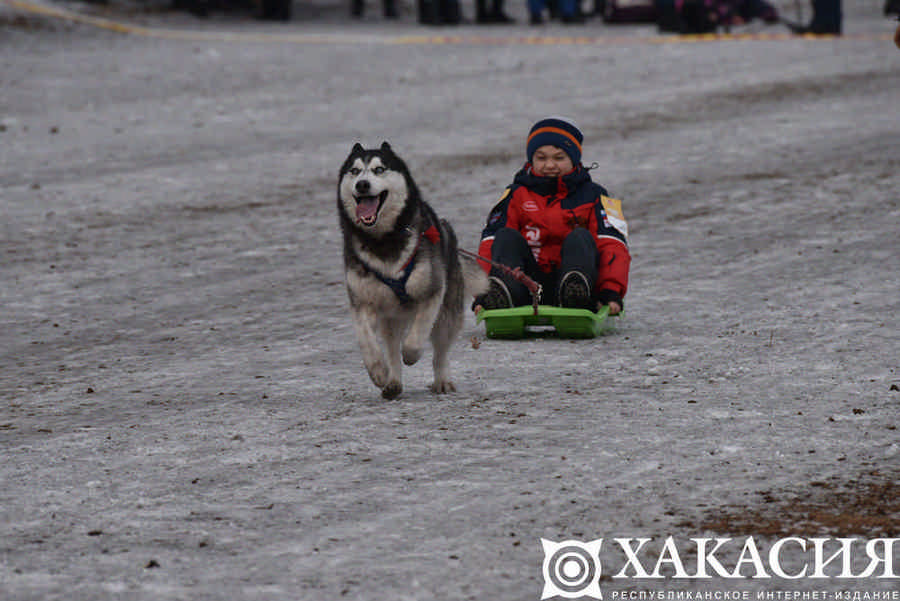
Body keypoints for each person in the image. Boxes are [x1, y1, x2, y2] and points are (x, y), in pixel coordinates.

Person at [474, 117, 631, 316]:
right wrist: (481, 292)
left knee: (580, 237)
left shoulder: (595, 195)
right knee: (504, 236)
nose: (549, 165)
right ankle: (502, 294)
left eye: (559, 158)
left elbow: (612, 244)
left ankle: (575, 294)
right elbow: (490, 244)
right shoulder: (515, 195)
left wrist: (611, 291)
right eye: (541, 158)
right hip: (526, 285)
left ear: (573, 160)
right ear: (531, 160)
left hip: (574, 280)